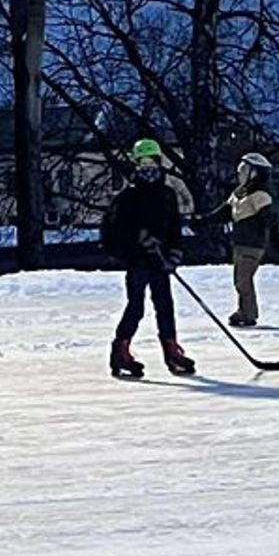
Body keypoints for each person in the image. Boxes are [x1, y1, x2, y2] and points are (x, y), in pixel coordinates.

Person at [100, 139, 197, 382]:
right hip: (138, 261)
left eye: (152, 162)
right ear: (136, 166)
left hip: (161, 261)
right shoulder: (128, 197)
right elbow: (114, 232)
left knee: (165, 305)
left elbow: (174, 227)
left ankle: (171, 349)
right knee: (136, 306)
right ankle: (121, 350)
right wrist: (138, 241)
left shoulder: (167, 194)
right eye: (142, 164)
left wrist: (174, 252)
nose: (148, 168)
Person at [221, 154, 277, 327]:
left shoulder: (260, 195)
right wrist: (202, 220)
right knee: (239, 279)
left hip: (253, 244)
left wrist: (276, 236)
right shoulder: (239, 193)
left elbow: (268, 218)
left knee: (243, 279)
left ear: (255, 172)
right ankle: (243, 310)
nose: (240, 173)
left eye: (244, 170)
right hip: (239, 243)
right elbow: (224, 211)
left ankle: (249, 313)